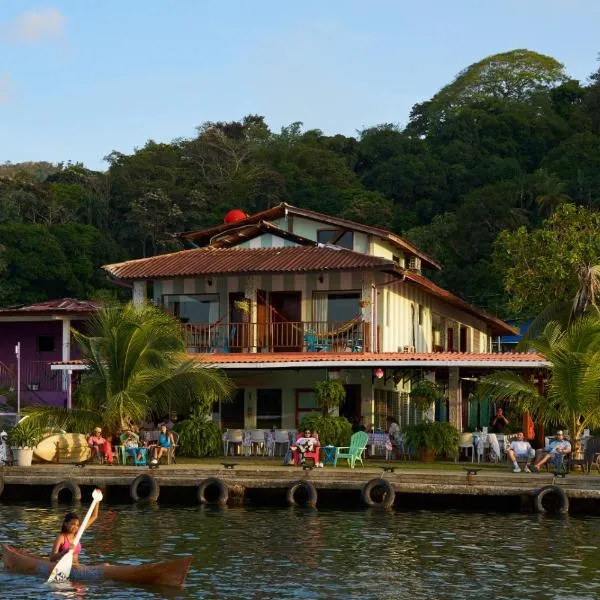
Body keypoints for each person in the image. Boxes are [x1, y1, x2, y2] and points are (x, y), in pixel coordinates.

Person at [50, 490, 102, 567]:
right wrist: (65, 551)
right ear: (66, 524)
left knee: (105, 565)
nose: (75, 527)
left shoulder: (78, 533)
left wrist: (97, 501)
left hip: (76, 566)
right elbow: (52, 558)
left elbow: (94, 516)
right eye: (72, 524)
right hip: (63, 567)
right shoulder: (61, 537)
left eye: (77, 525)